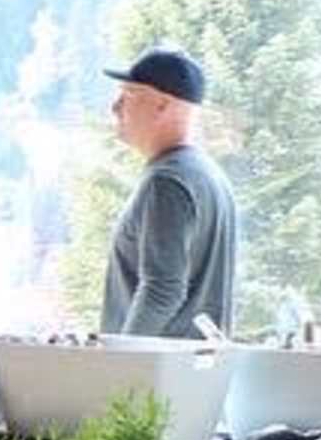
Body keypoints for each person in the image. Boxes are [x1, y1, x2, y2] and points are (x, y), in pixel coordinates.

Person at [101, 46, 239, 339]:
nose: (115, 107)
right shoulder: (209, 176)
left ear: (162, 104)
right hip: (189, 375)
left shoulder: (166, 182)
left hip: (150, 379)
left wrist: (120, 362)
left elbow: (162, 290)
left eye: (128, 94)